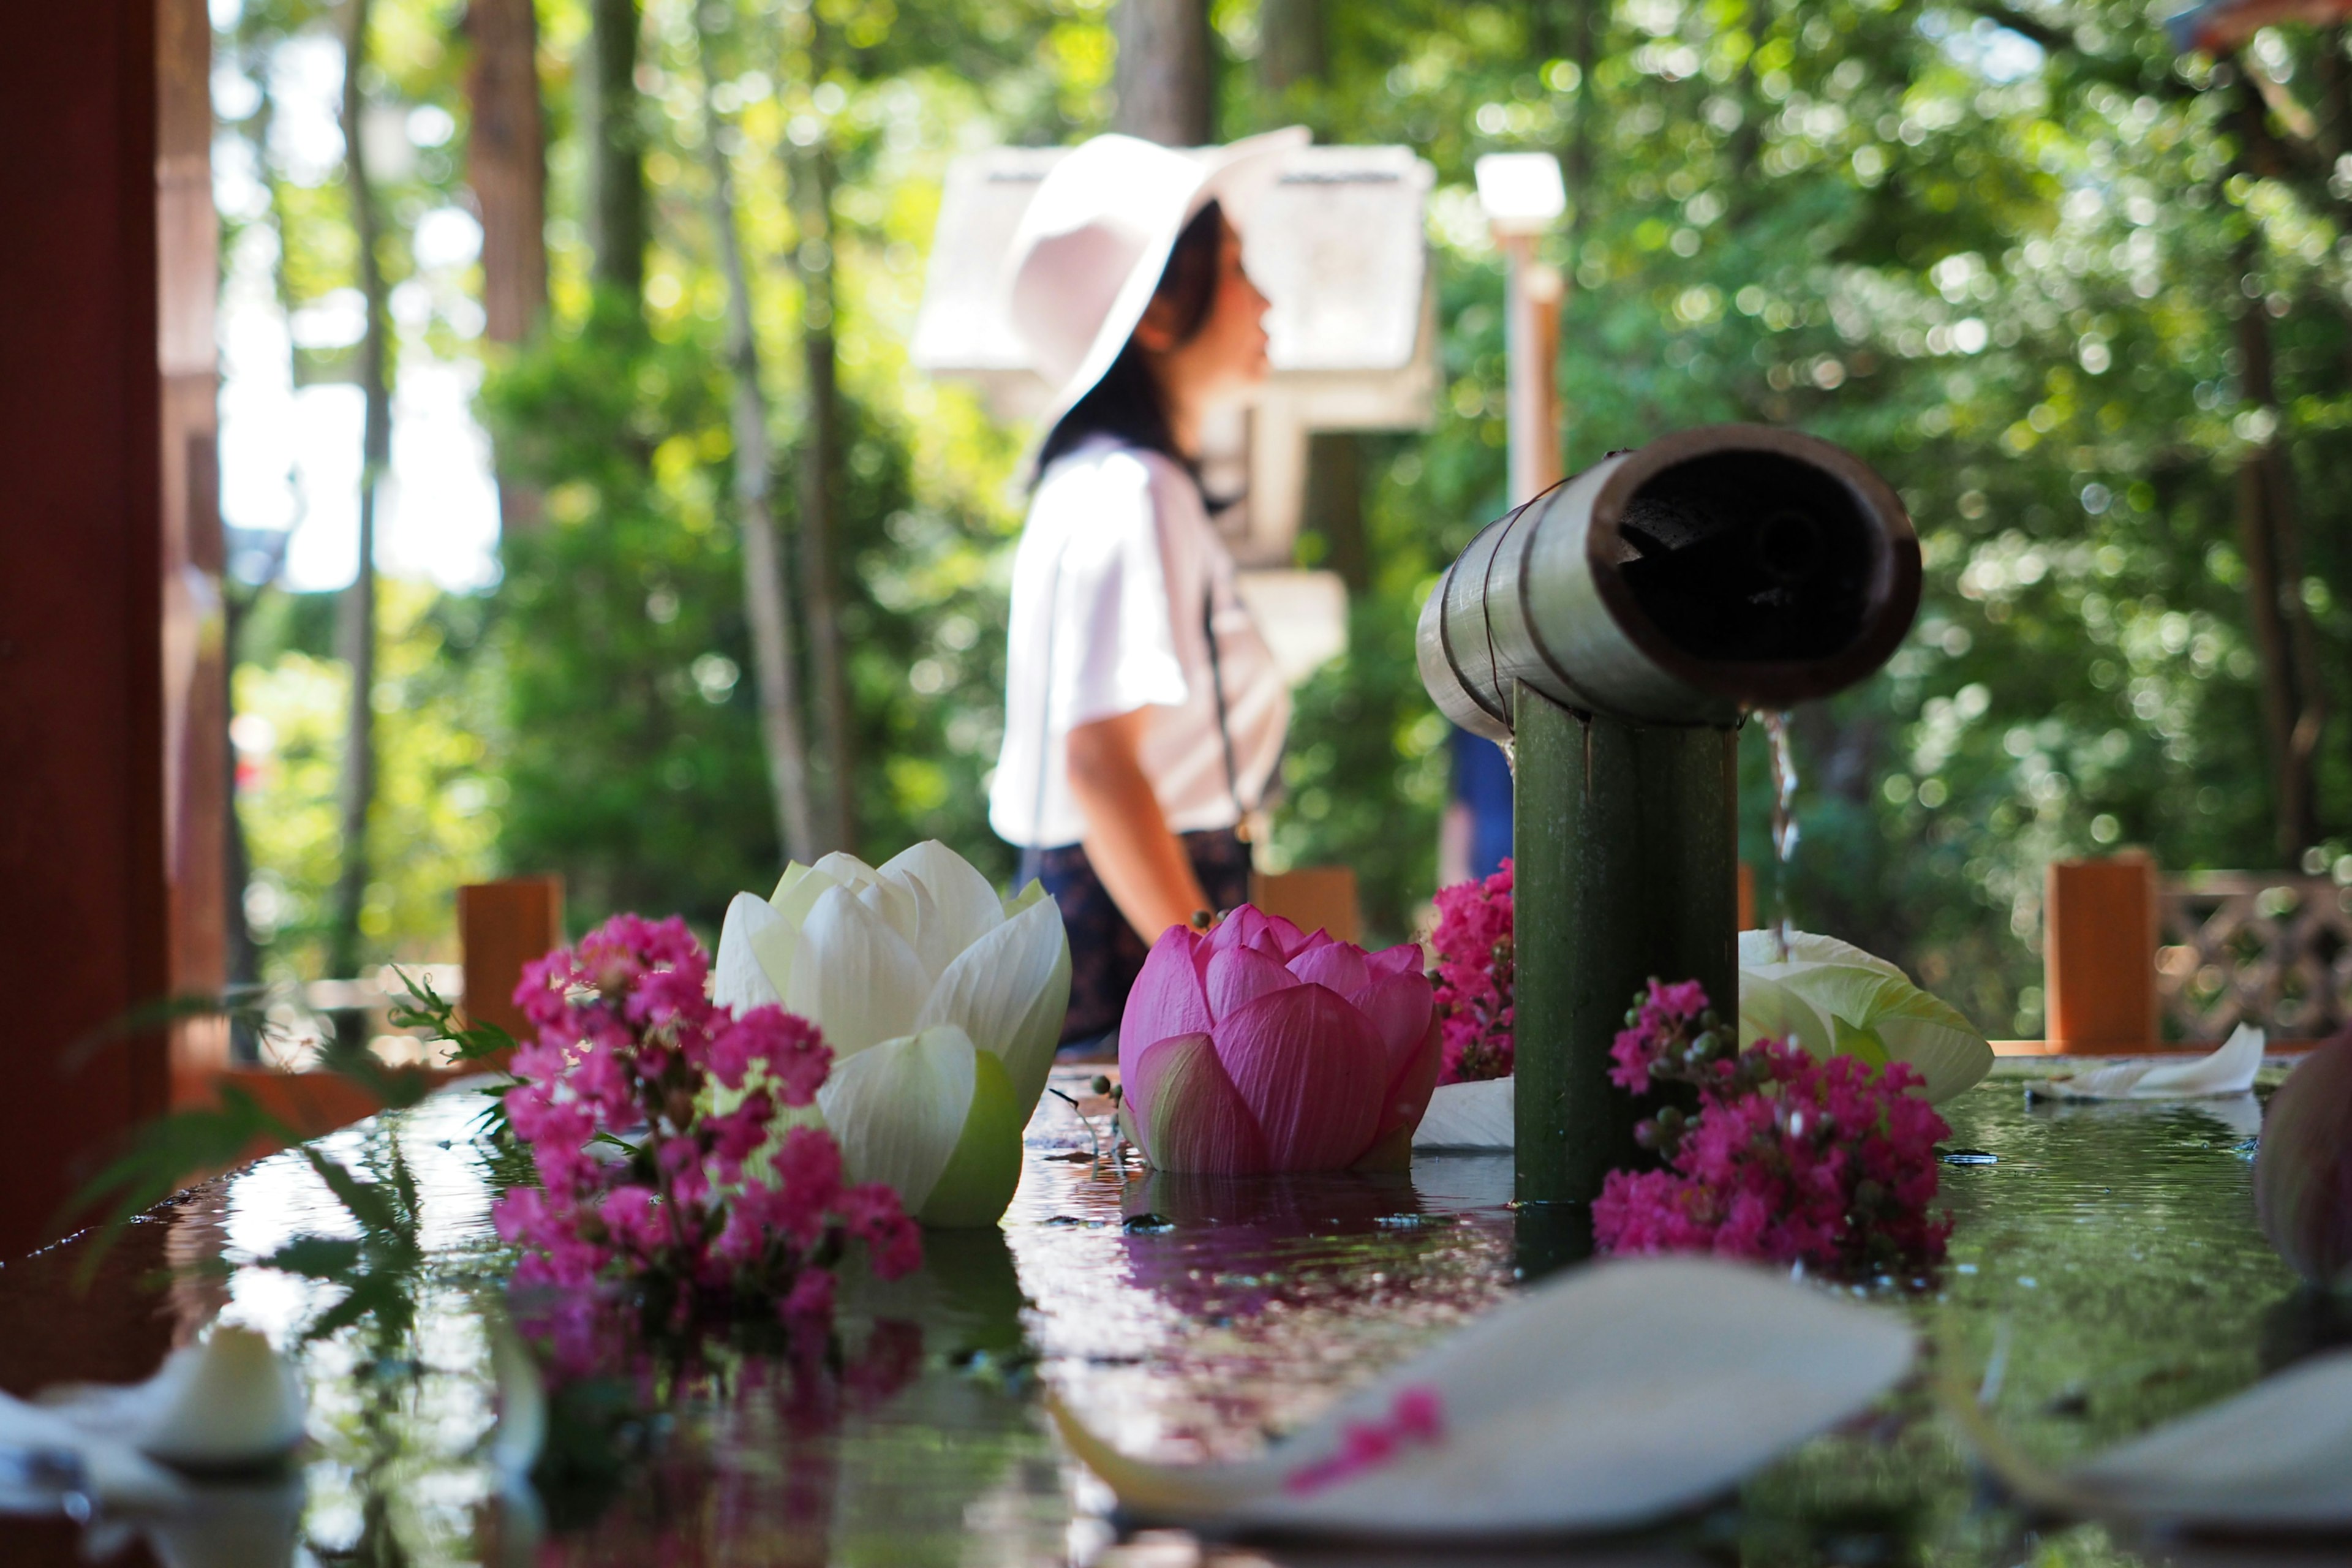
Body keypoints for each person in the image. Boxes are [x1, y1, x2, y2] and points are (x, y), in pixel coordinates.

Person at [989, 129, 1306, 1051]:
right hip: (1140, 938)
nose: (1265, 300)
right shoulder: (1134, 491)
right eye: (1239, 267)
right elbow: (1100, 764)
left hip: (1120, 920)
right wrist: (1219, 991)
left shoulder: (1100, 483)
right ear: (1160, 314)